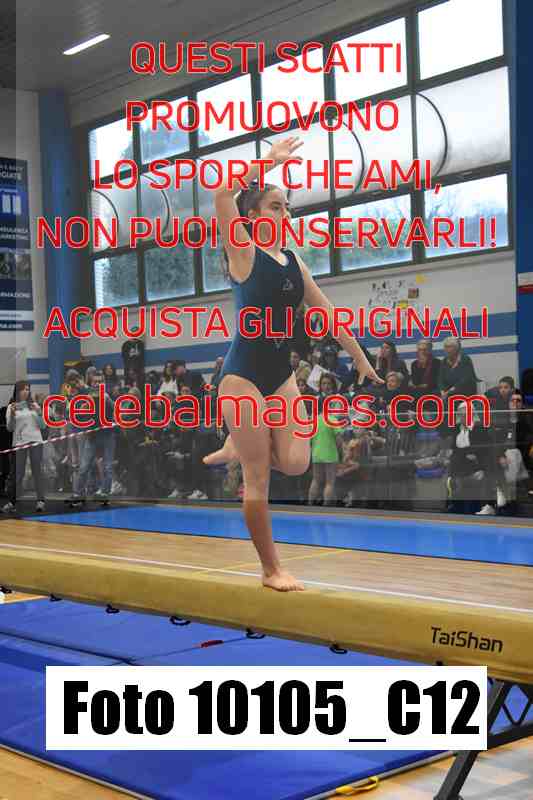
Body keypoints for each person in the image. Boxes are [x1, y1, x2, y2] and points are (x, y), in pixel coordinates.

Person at [203, 136, 383, 591]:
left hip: (280, 377)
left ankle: (239, 444)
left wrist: (360, 358)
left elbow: (328, 313)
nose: (285, 214)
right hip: (242, 378)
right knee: (257, 477)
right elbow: (221, 194)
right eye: (276, 206)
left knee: (298, 462)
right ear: (252, 217)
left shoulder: (294, 263)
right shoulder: (243, 252)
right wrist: (267, 161)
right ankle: (271, 570)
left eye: (287, 208)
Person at [2, 381, 47, 513]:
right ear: (17, 391)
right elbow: (10, 428)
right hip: (19, 442)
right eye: (23, 389)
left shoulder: (34, 405)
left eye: (28, 389)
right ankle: (12, 502)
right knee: (18, 473)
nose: (26, 391)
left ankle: (40, 501)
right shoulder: (11, 407)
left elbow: (43, 426)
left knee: (37, 471)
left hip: (35, 440)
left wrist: (39, 412)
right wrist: (12, 414)